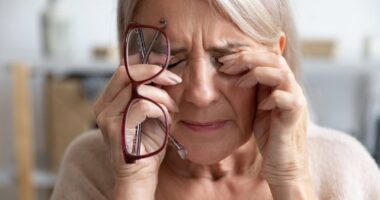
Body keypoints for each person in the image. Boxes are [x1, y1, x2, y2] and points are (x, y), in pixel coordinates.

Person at [51, 0, 380, 199]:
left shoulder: (345, 169)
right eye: (172, 60)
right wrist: (132, 186)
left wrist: (291, 181)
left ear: (276, 57)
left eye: (227, 59)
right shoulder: (91, 167)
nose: (201, 94)